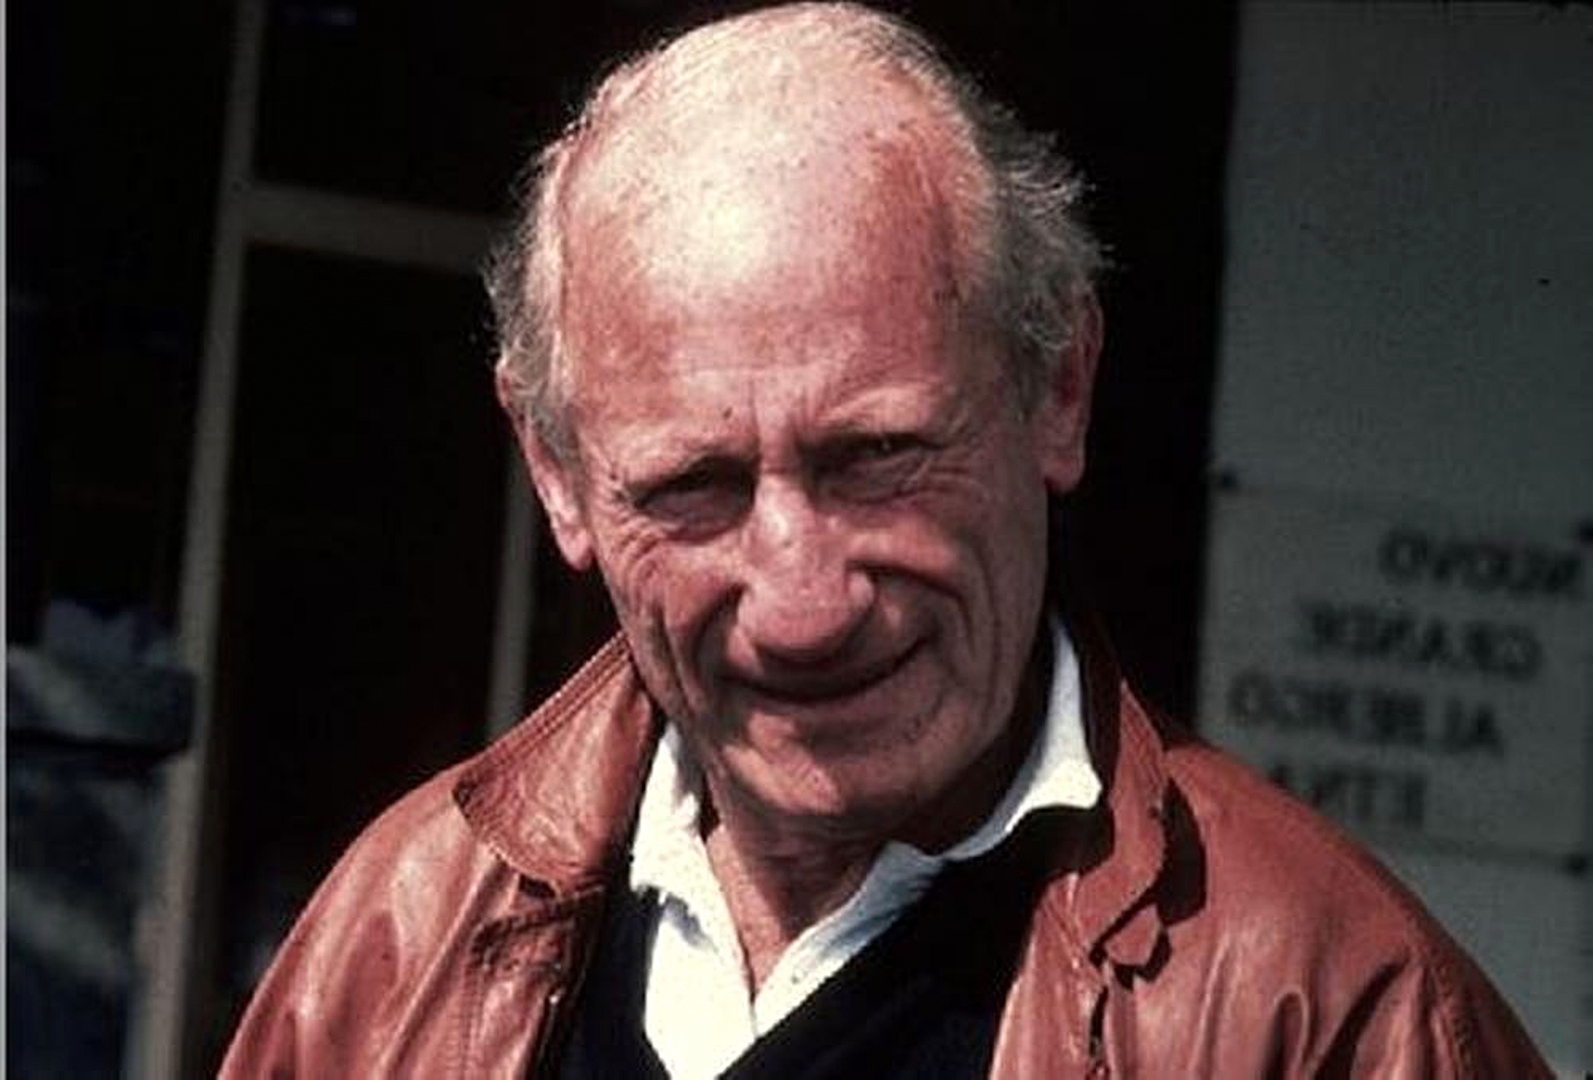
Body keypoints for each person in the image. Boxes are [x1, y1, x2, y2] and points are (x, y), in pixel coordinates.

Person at [220, 4, 1550, 1077]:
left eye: (877, 457)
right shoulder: (396, 940)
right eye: (694, 485)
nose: (802, 603)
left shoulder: (1332, 1014)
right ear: (558, 476)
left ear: (1059, 386)